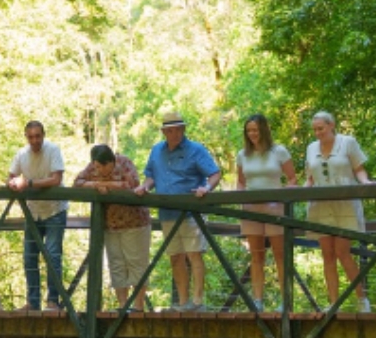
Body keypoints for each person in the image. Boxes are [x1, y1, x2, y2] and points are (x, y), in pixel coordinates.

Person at [137, 113, 222, 310]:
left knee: (194, 255)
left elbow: (215, 174)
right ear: (164, 132)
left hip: (191, 213)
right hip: (167, 213)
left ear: (183, 129)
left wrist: (206, 189)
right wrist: (145, 187)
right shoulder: (157, 151)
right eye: (170, 130)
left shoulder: (196, 150)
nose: (174, 133)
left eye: (178, 129)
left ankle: (198, 302)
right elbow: (151, 176)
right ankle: (183, 302)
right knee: (175, 256)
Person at [302, 112, 371, 312]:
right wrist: (298, 192)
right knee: (327, 254)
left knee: (343, 252)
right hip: (320, 205)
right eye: (315, 129)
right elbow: (310, 178)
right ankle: (334, 303)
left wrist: (365, 182)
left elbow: (359, 169)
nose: (317, 133)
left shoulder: (348, 142)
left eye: (321, 128)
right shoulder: (310, 148)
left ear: (332, 125)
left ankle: (361, 300)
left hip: (344, 203)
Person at [74, 144, 152, 311]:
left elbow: (132, 184)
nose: (100, 170)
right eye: (97, 167)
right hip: (110, 224)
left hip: (134, 223)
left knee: (135, 262)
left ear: (112, 161)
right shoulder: (93, 167)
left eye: (104, 166)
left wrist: (107, 185)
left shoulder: (124, 163)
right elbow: (77, 183)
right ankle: (123, 305)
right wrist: (95, 185)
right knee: (116, 264)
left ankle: (138, 307)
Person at [234, 114, 295, 310]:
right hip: (251, 208)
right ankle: (257, 300)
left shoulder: (279, 151)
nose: (252, 134)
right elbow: (241, 182)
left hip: (275, 207)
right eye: (249, 130)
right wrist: (239, 202)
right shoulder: (243, 154)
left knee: (280, 254)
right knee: (256, 255)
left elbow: (292, 179)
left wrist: (285, 196)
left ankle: (285, 300)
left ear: (264, 130)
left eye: (256, 130)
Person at [9, 121, 68, 311]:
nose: (35, 140)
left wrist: (29, 183)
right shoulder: (22, 154)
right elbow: (10, 176)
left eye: (38, 136)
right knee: (29, 257)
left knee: (52, 255)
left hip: (54, 210)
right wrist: (13, 183)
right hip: (33, 212)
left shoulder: (53, 150)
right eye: (31, 137)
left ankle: (53, 300)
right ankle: (32, 302)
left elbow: (56, 179)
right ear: (26, 137)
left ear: (43, 135)